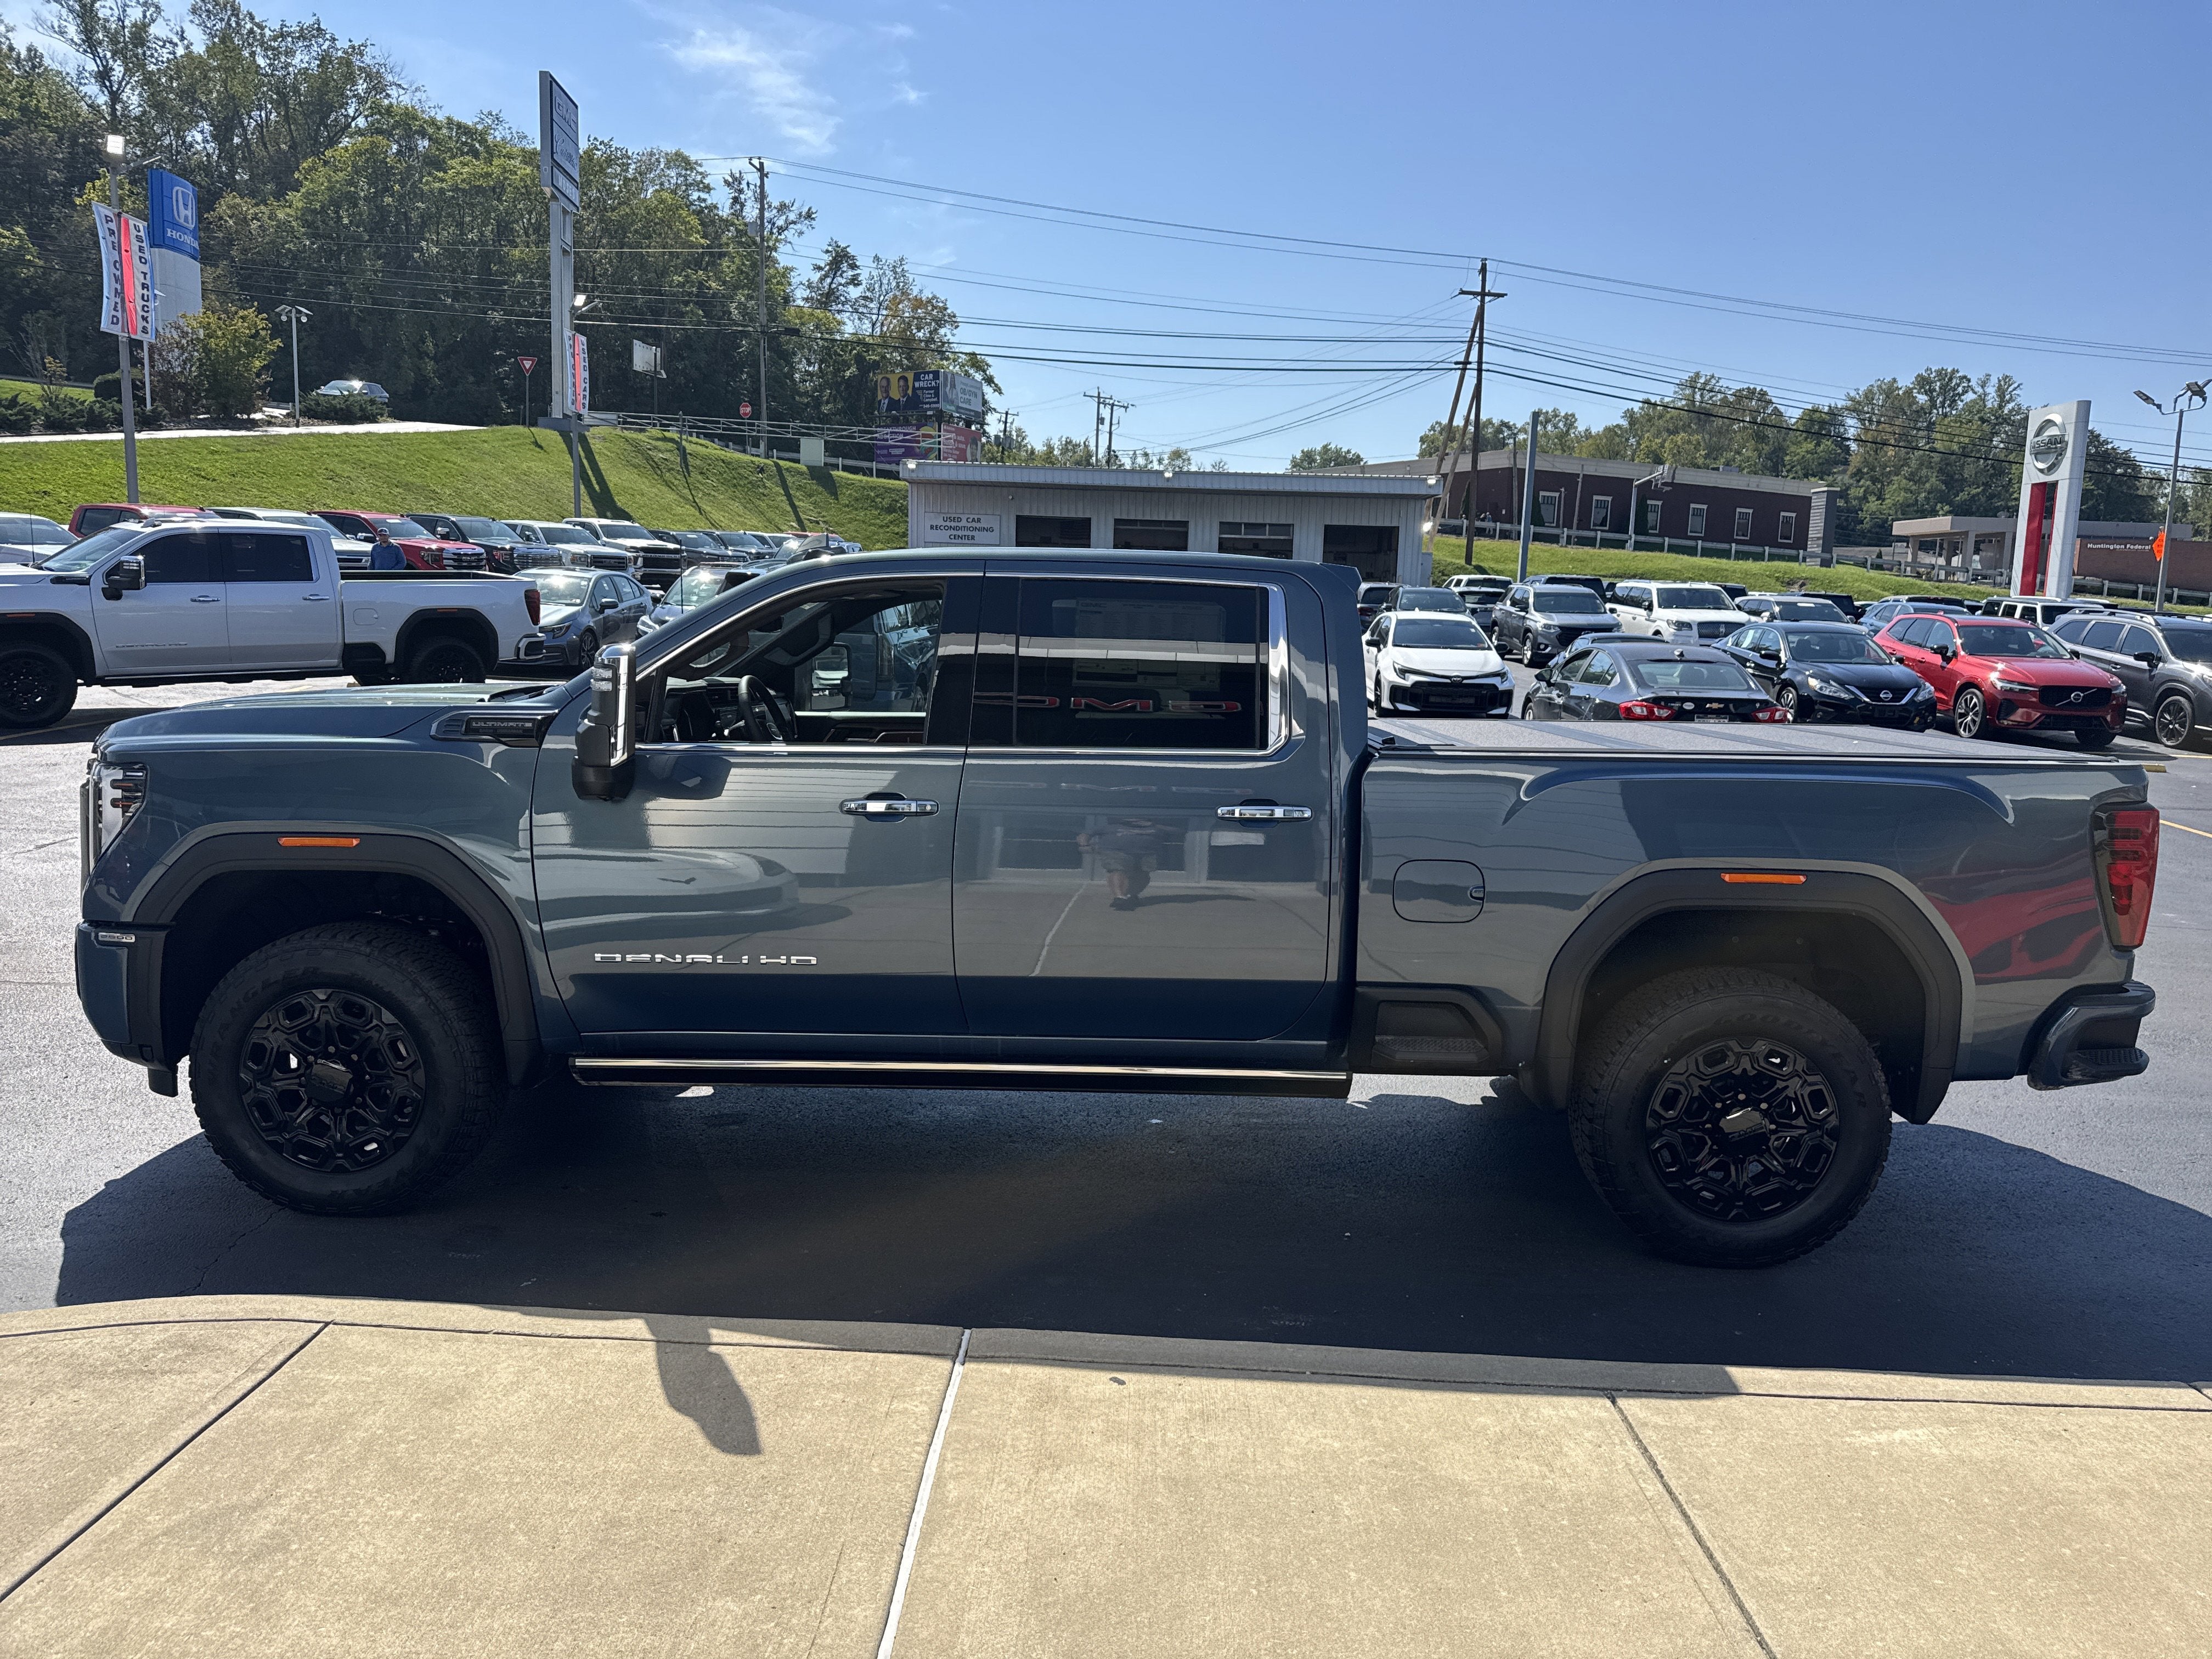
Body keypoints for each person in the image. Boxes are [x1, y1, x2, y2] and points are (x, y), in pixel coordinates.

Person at [1079, 817, 1172, 910]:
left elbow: (1177, 831)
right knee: (1117, 871)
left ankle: (1131, 896)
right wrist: (1084, 845)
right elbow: (1085, 834)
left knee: (1143, 875)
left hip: (1147, 854)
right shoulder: (1110, 827)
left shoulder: (1156, 828)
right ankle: (1119, 898)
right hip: (1115, 852)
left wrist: (1160, 826)